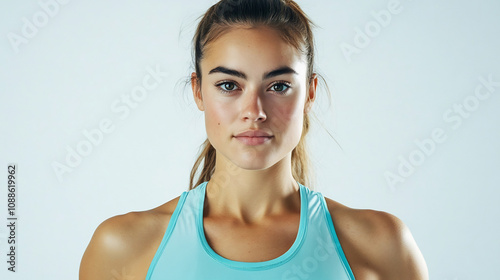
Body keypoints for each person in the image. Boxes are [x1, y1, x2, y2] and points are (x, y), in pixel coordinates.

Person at [79, 0, 429, 279]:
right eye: (229, 85)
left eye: (278, 86)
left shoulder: (382, 246)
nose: (254, 111)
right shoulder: (122, 247)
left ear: (309, 93)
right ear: (198, 91)